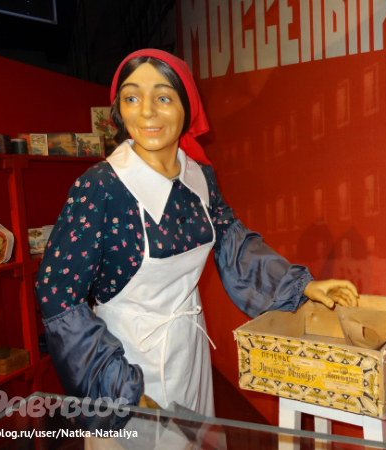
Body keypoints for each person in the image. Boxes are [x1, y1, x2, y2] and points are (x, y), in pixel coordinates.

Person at [35, 49, 360, 417]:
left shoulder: (200, 176)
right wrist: (117, 387)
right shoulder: (101, 187)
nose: (146, 112)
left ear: (187, 107)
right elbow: (57, 294)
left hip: (190, 348)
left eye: (162, 98)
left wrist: (299, 285)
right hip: (128, 359)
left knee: (195, 435)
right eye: (131, 98)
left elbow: (233, 244)